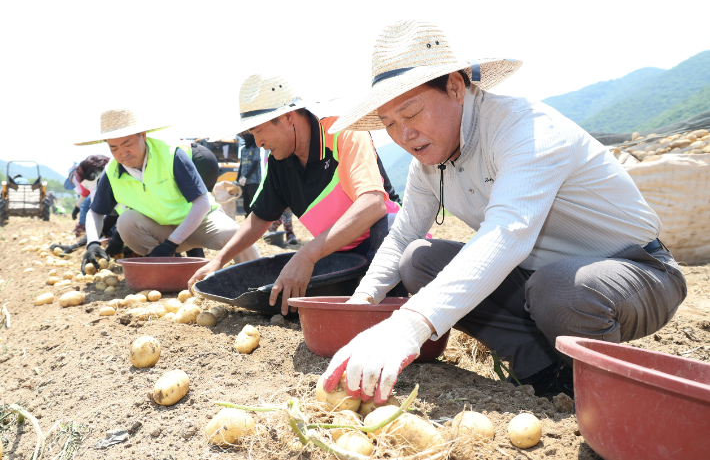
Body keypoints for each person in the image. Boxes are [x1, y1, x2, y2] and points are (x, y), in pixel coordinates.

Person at [320, 20, 688, 404]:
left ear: (456, 87)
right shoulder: (427, 163)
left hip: (637, 274)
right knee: (420, 261)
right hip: (536, 281)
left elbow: (506, 234)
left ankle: (602, 392)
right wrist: (359, 307)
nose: (404, 135)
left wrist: (407, 327)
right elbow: (403, 235)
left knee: (557, 286)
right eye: (390, 124)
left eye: (411, 113)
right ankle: (542, 371)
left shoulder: (525, 130)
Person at [188, 74, 403, 315]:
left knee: (391, 226)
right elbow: (260, 217)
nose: (257, 142)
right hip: (335, 254)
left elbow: (373, 204)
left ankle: (388, 307)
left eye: (259, 131)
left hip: (381, 243)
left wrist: (308, 254)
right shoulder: (279, 161)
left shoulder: (343, 131)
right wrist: (219, 260)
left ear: (288, 117)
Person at [74, 109, 259, 274]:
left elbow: (202, 202)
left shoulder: (171, 155)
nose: (122, 153)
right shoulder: (112, 172)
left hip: (202, 223)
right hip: (160, 230)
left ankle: (256, 278)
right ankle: (166, 269)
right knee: (126, 222)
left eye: (127, 144)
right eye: (113, 148)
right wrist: (92, 243)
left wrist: (172, 243)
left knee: (237, 235)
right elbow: (95, 212)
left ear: (143, 135)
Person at [236, 132, 263, 217]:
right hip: (244, 183)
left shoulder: (256, 148)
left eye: (246, 135)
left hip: (253, 181)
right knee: (246, 203)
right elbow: (241, 164)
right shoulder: (243, 149)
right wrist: (237, 178)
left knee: (252, 203)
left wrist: (245, 177)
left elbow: (255, 164)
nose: (244, 137)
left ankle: (253, 222)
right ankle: (247, 221)